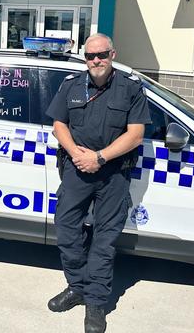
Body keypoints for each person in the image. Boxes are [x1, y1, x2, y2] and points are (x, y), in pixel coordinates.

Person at [46, 33, 151, 333]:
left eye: (102, 54)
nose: (96, 60)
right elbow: (58, 125)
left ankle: (95, 303)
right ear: (85, 58)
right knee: (66, 230)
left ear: (113, 54)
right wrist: (76, 153)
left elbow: (136, 135)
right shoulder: (71, 86)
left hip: (113, 174)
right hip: (76, 170)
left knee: (104, 241)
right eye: (91, 56)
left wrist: (100, 158)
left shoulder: (130, 89)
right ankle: (77, 287)